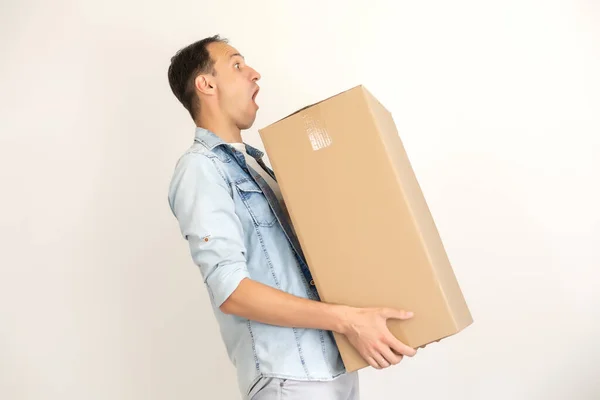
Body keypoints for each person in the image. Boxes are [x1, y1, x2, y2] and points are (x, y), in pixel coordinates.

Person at [166, 35, 417, 400]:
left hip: (334, 367)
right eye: (237, 65)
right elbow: (231, 290)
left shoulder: (261, 167)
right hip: (289, 379)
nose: (254, 74)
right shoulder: (200, 168)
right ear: (206, 84)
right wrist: (347, 319)